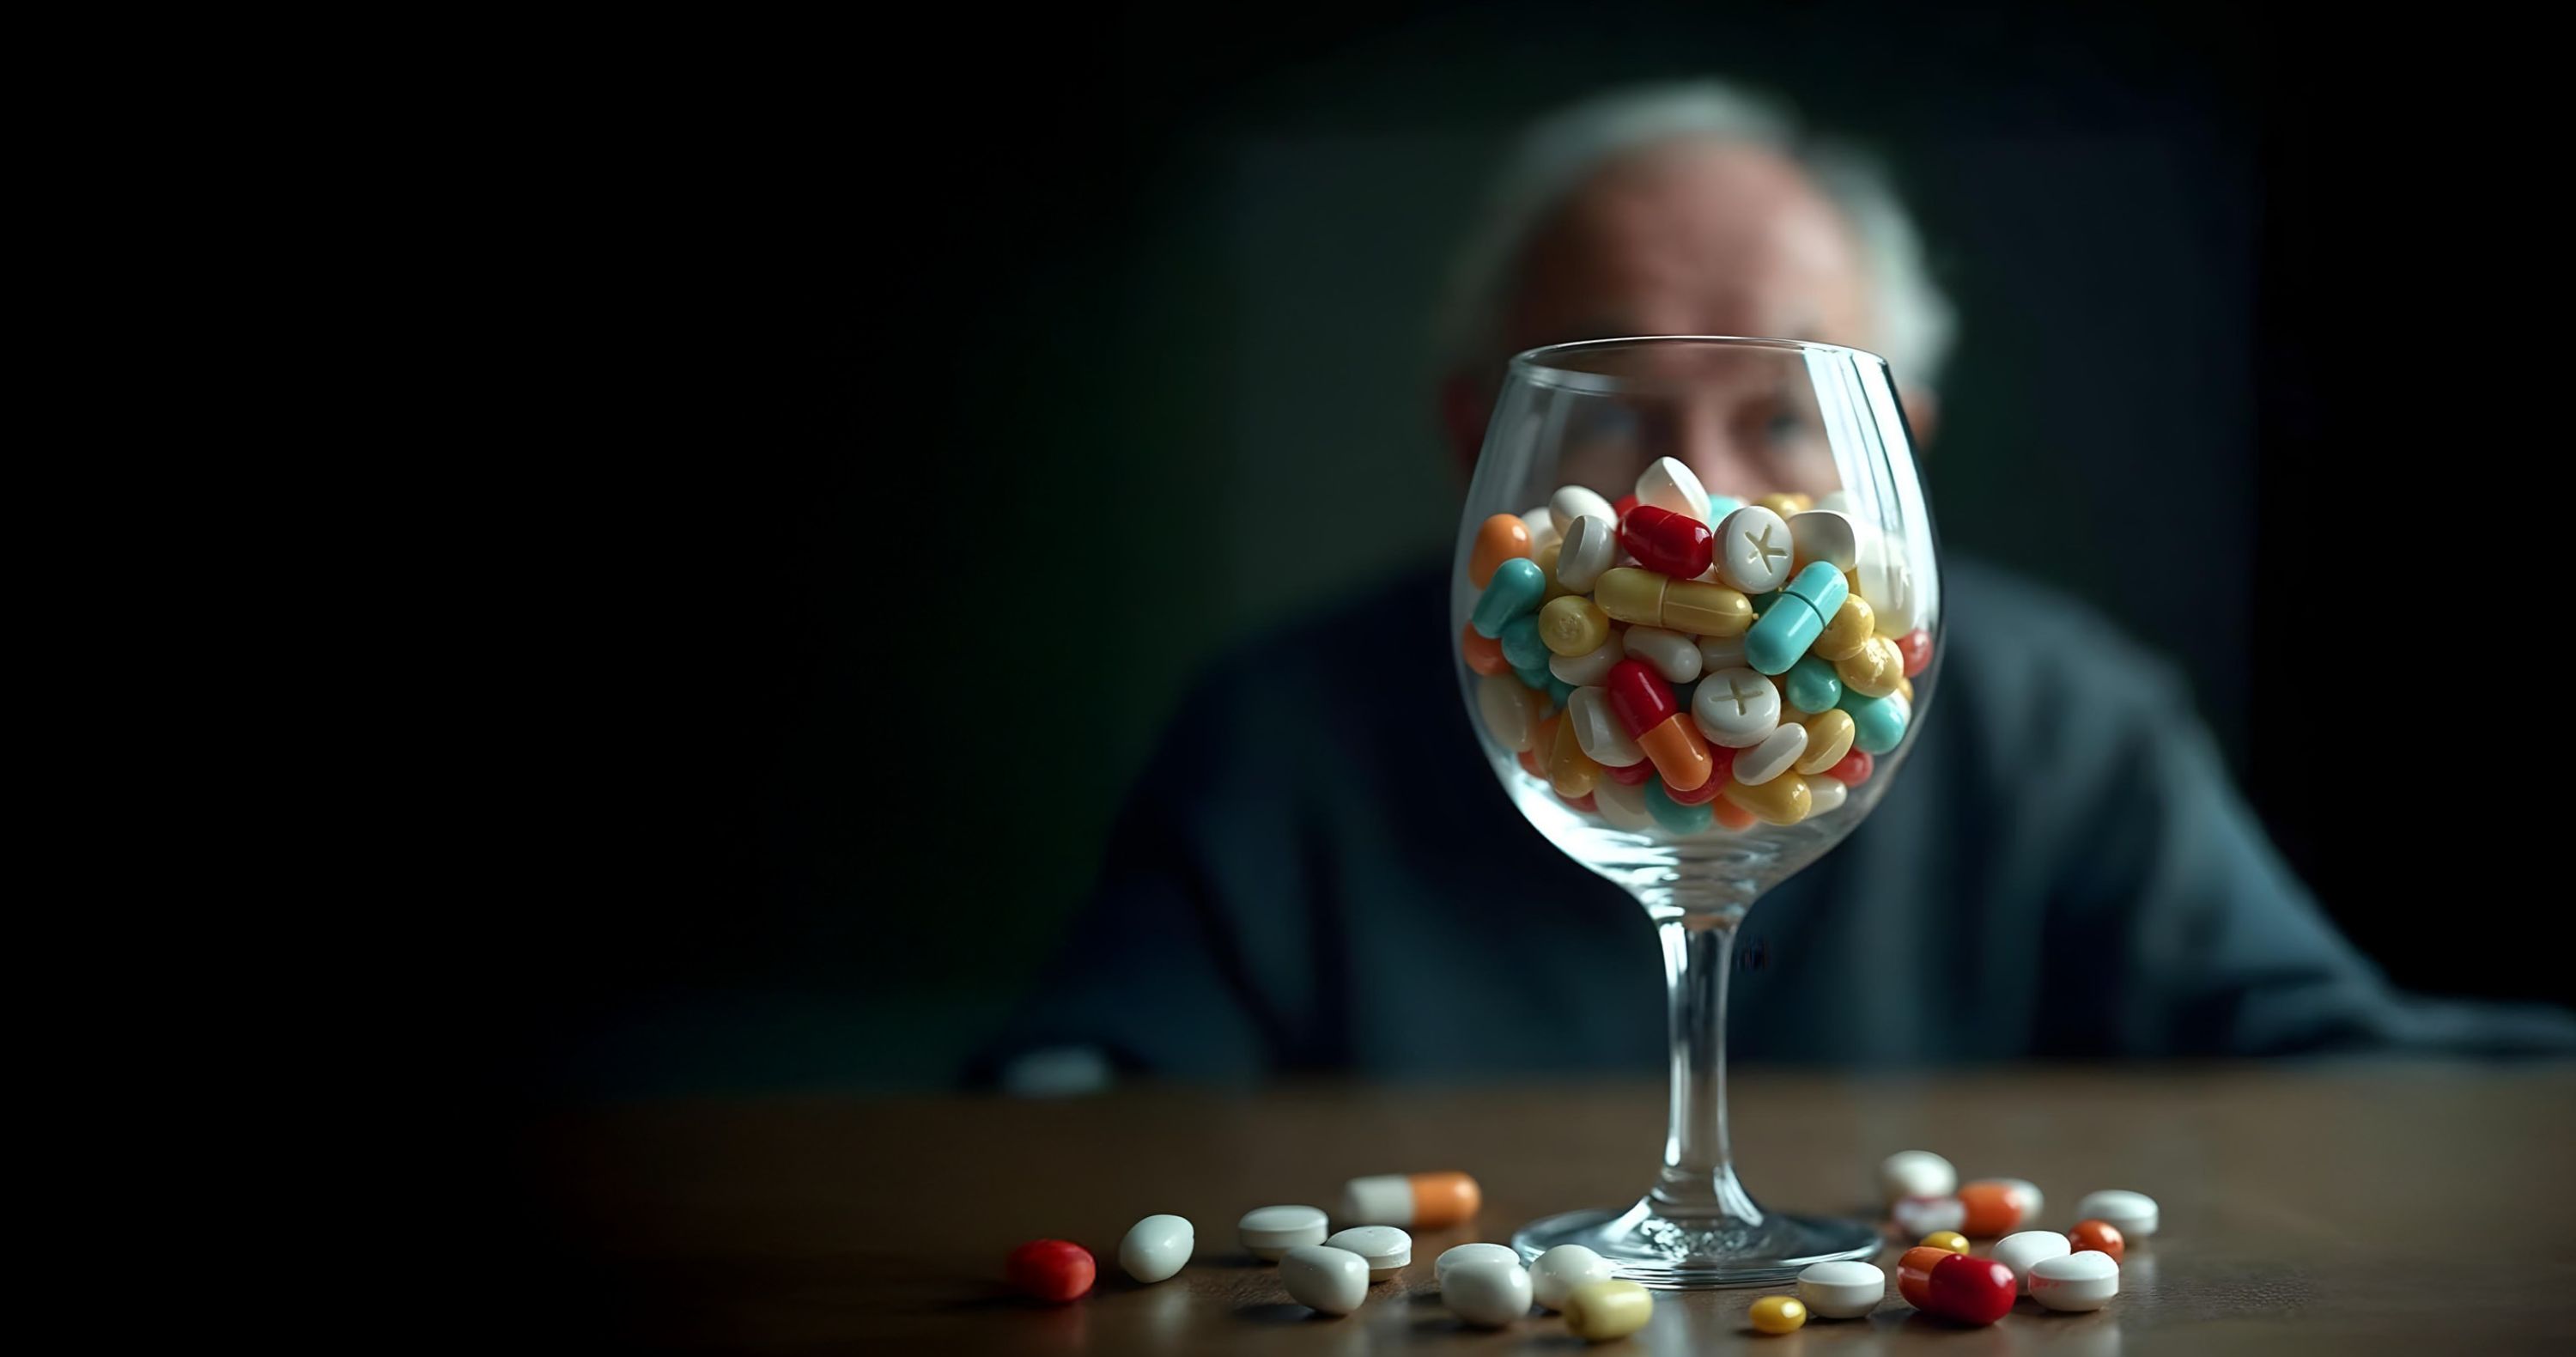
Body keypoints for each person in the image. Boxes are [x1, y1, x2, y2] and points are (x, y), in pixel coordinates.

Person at [975, 81, 2575, 1091]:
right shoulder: (1280, 730)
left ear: (1902, 452)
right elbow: (1087, 1083)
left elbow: (2332, 1061)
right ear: (1481, 436)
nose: (1705, 497)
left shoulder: (2070, 719)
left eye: (1786, 416)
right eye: (1610, 413)